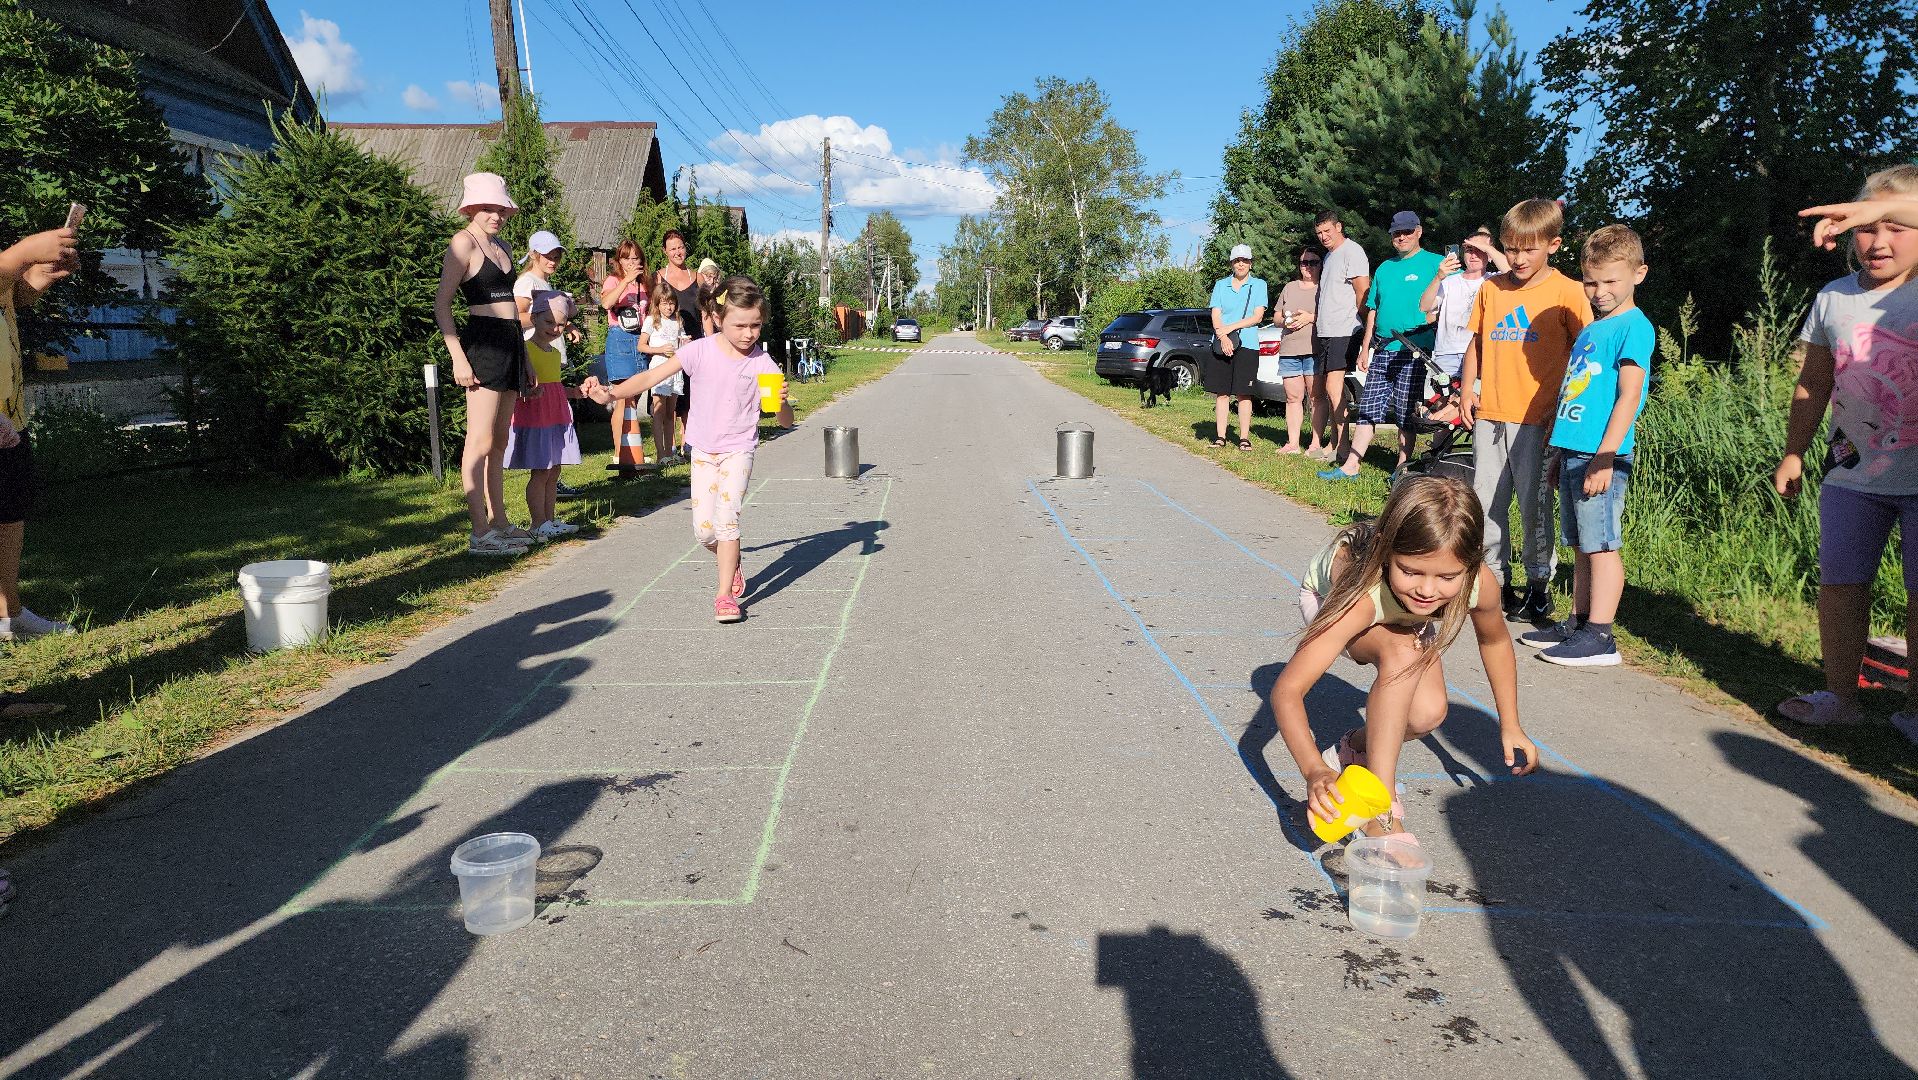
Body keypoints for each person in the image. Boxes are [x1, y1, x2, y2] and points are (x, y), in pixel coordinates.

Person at [1271, 476, 1537, 843]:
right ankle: (1381, 811)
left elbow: (1494, 641)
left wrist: (1510, 723)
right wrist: (1313, 770)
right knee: (1403, 650)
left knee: (1426, 713)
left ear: (1471, 565)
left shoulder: (1478, 582)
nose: (1428, 590)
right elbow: (1287, 691)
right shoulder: (1360, 598)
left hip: (1403, 617)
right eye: (1410, 571)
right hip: (1328, 599)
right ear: (1385, 552)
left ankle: (1352, 752)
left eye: (1447, 577)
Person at [1774, 165, 1918, 740]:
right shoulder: (1834, 297)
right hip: (1850, 473)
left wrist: (1872, 210)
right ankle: (1841, 696)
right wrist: (1794, 452)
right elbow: (1812, 383)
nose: (1877, 241)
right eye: (1865, 227)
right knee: (1840, 584)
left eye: (1895, 226)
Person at [583, 276, 794, 624]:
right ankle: (732, 558)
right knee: (704, 531)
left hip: (738, 450)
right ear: (718, 317)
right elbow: (649, 379)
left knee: (728, 522)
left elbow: (784, 421)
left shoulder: (762, 364)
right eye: (740, 325)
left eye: (756, 325)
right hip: (703, 451)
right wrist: (612, 393)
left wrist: (783, 402)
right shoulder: (699, 350)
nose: (748, 334)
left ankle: (724, 595)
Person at [1518, 225, 1654, 668]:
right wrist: (1560, 453)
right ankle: (1579, 621)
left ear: (1639, 274)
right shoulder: (1594, 329)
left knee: (1601, 544)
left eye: (1610, 281)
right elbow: (1578, 395)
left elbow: (1629, 397)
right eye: (1591, 281)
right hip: (1575, 452)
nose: (1599, 291)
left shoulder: (1633, 327)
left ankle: (1601, 635)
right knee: (1579, 543)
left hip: (1601, 455)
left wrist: (1605, 455)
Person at [1460, 198, 1593, 623]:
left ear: (1553, 244)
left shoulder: (1568, 292)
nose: (1517, 258)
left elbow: (1586, 356)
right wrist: (1466, 390)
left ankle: (1539, 584)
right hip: (1490, 413)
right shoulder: (1491, 288)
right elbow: (1476, 344)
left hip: (1538, 418)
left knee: (1533, 504)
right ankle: (1494, 581)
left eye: (1527, 249)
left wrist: (1565, 407)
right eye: (1510, 248)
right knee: (1487, 502)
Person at [0, 224, 79, 724]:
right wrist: (21, 253)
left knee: (10, 512)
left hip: (8, 412)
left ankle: (7, 614)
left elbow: (6, 300)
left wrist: (33, 280)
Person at [435, 172, 531, 556]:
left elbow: (511, 307)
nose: (497, 215)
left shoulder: (503, 245)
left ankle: (500, 523)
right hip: (483, 346)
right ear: (472, 207)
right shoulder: (463, 242)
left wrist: (525, 360)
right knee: (479, 439)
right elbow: (442, 304)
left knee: (500, 440)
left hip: (511, 345)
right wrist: (458, 356)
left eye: (502, 208)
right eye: (490, 207)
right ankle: (479, 534)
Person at [1323, 211, 1442, 481]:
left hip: (1415, 350)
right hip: (1384, 348)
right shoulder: (1385, 268)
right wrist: (1366, 347)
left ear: (1419, 232)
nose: (1401, 237)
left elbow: (1459, 297)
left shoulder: (1436, 263)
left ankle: (1401, 469)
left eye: (1407, 232)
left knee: (1404, 411)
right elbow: (1373, 310)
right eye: (1396, 233)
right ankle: (1351, 465)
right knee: (1369, 407)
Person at [504, 290, 584, 542]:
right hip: (536, 418)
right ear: (534, 318)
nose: (555, 329)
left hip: (555, 418)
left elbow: (555, 388)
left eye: (560, 324)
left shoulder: (555, 354)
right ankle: (537, 522)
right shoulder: (525, 351)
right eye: (549, 322)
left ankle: (549, 520)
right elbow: (517, 387)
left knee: (554, 470)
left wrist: (577, 392)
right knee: (540, 471)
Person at [514, 230, 583, 499]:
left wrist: (569, 325)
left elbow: (556, 314)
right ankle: (543, 490)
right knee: (544, 425)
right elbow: (517, 317)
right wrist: (542, 317)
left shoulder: (547, 285)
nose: (553, 260)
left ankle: (554, 480)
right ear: (533, 255)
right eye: (547, 255)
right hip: (536, 358)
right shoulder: (526, 283)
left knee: (556, 421)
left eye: (556, 255)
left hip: (552, 357)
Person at [1310, 210, 1371, 461]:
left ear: (1339, 227)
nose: (1324, 236)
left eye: (1327, 231)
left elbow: (1362, 291)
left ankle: (1344, 449)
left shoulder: (1352, 251)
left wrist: (1366, 326)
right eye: (1319, 233)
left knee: (1335, 388)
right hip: (1327, 331)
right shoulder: (1329, 256)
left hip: (1345, 329)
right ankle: (1334, 444)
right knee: (1328, 389)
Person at [1204, 244, 1269, 450]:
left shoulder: (1259, 285)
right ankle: (1220, 436)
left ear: (1250, 263)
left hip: (1247, 344)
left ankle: (1243, 437)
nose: (1241, 263)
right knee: (1222, 392)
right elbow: (1216, 313)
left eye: (1245, 260)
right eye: (1237, 260)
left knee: (1243, 393)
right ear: (1232, 263)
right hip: (1222, 342)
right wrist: (1222, 335)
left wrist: (1229, 328)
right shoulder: (1221, 285)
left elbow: (1257, 317)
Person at [1421, 226, 1507, 381]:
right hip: (1447, 354)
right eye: (1469, 250)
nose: (1474, 255)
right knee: (1443, 401)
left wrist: (1487, 247)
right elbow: (1425, 306)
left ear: (1490, 254)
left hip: (1482, 351)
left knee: (1475, 402)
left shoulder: (1496, 280)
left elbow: (1511, 272)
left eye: (1480, 250)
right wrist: (1438, 277)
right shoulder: (1448, 281)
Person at [599, 239, 650, 477]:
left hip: (640, 340)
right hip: (619, 338)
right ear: (619, 261)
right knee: (622, 397)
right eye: (626, 258)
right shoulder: (614, 280)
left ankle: (632, 451)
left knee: (635, 396)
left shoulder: (646, 283)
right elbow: (606, 303)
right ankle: (622, 455)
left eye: (635, 258)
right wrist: (626, 281)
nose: (631, 262)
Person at [656, 231, 702, 456]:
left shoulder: (698, 277)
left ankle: (689, 443)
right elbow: (652, 312)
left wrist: (710, 341)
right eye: (672, 248)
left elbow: (706, 314)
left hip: (694, 342)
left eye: (680, 247)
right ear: (665, 251)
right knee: (669, 395)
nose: (677, 252)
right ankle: (670, 445)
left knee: (691, 394)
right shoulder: (658, 277)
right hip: (668, 346)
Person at [1273, 248, 1320, 454]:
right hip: (1290, 350)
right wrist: (1286, 321)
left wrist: (1310, 317)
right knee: (1293, 398)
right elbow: (1275, 317)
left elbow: (1334, 314)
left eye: (1313, 262)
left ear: (1321, 264)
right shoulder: (1290, 287)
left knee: (1316, 398)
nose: (1308, 266)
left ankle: (1316, 443)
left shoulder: (1324, 287)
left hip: (1314, 349)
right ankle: (1293, 443)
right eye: (1304, 263)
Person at [638, 288, 689, 465]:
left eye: (672, 303)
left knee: (670, 412)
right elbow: (641, 346)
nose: (669, 307)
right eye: (665, 303)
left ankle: (670, 452)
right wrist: (659, 350)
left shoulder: (678, 320)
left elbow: (681, 341)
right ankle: (661, 454)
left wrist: (686, 343)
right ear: (658, 304)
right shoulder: (652, 321)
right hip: (659, 368)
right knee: (659, 411)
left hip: (675, 369)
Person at [696, 257, 723, 336]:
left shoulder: (720, 292)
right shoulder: (695, 292)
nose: (711, 281)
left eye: (714, 278)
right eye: (708, 277)